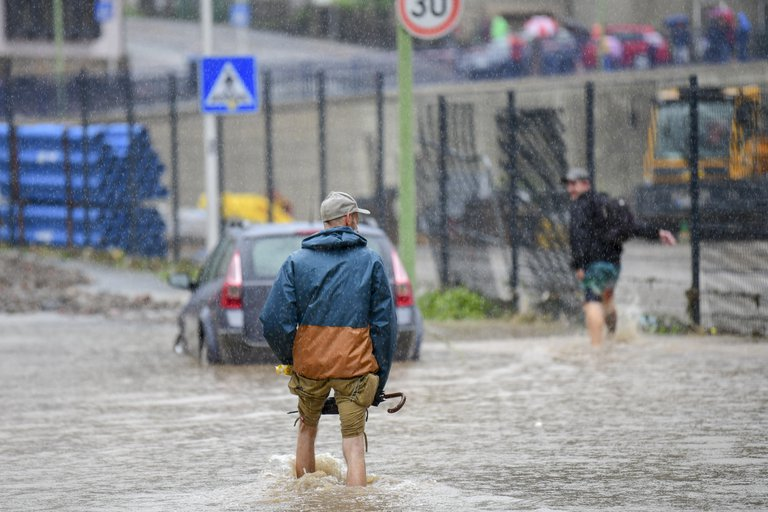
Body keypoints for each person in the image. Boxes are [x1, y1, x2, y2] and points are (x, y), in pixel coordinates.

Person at [259, 191, 397, 486]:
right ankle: (358, 506)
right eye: (357, 217)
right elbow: (384, 326)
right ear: (349, 219)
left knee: (307, 429)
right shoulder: (370, 261)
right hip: (355, 368)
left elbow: (272, 321)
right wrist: (379, 380)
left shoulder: (296, 262)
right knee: (354, 442)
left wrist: (292, 357)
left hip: (310, 366)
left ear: (326, 222)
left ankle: (306, 500)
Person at [562, 168, 676, 346]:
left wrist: (579, 265)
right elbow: (631, 226)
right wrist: (658, 233)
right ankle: (612, 338)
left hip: (594, 265)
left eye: (573, 184)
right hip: (613, 265)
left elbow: (577, 237)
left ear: (586, 184)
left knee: (592, 302)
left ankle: (596, 349)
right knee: (607, 301)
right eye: (568, 185)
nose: (570, 189)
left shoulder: (579, 206)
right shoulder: (607, 203)